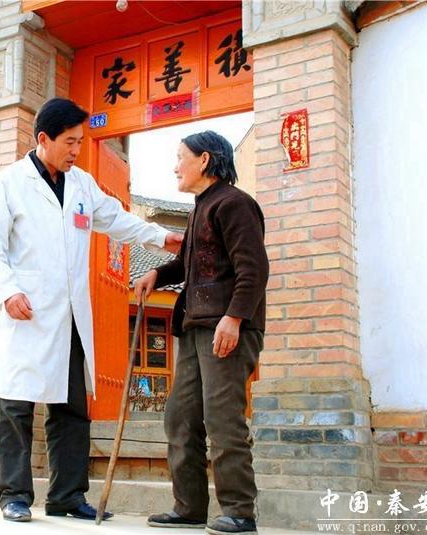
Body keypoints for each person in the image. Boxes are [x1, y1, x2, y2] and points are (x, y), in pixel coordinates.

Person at [0, 97, 182, 523]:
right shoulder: (10, 183)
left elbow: (118, 219)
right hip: (25, 313)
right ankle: (14, 495)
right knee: (16, 408)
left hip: (69, 317)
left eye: (80, 142)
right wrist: (6, 292)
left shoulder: (83, 185)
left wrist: (161, 238)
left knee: (71, 408)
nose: (76, 150)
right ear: (43, 139)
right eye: (69, 142)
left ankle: (67, 496)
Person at [135, 131, 268, 535]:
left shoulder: (235, 204)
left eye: (181, 157)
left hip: (226, 327)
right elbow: (190, 266)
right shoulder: (199, 209)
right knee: (180, 417)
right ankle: (190, 507)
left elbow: (254, 269)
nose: (175, 167)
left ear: (205, 159)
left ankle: (239, 512)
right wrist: (157, 274)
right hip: (195, 328)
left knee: (222, 417)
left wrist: (235, 317)